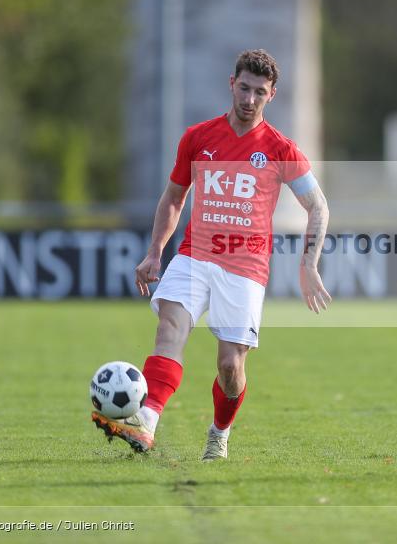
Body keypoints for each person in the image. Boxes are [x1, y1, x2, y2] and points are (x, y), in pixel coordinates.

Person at [93, 49, 332, 460]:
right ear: (231, 84)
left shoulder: (280, 149)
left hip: (245, 269)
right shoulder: (198, 137)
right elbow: (174, 197)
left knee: (230, 368)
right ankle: (146, 421)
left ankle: (220, 430)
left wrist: (309, 264)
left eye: (260, 92)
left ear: (272, 95)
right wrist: (155, 252)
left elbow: (318, 207)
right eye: (244, 88)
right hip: (195, 256)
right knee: (170, 327)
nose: (250, 99)